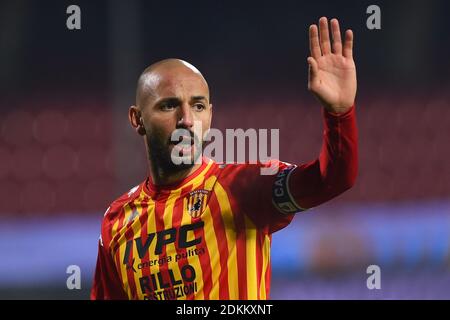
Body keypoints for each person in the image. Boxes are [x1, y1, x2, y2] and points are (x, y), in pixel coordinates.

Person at [91, 17, 358, 300]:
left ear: (210, 114)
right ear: (138, 119)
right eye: (168, 105)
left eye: (198, 105)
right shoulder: (117, 220)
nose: (186, 120)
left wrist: (340, 113)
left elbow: (332, 179)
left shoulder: (244, 187)